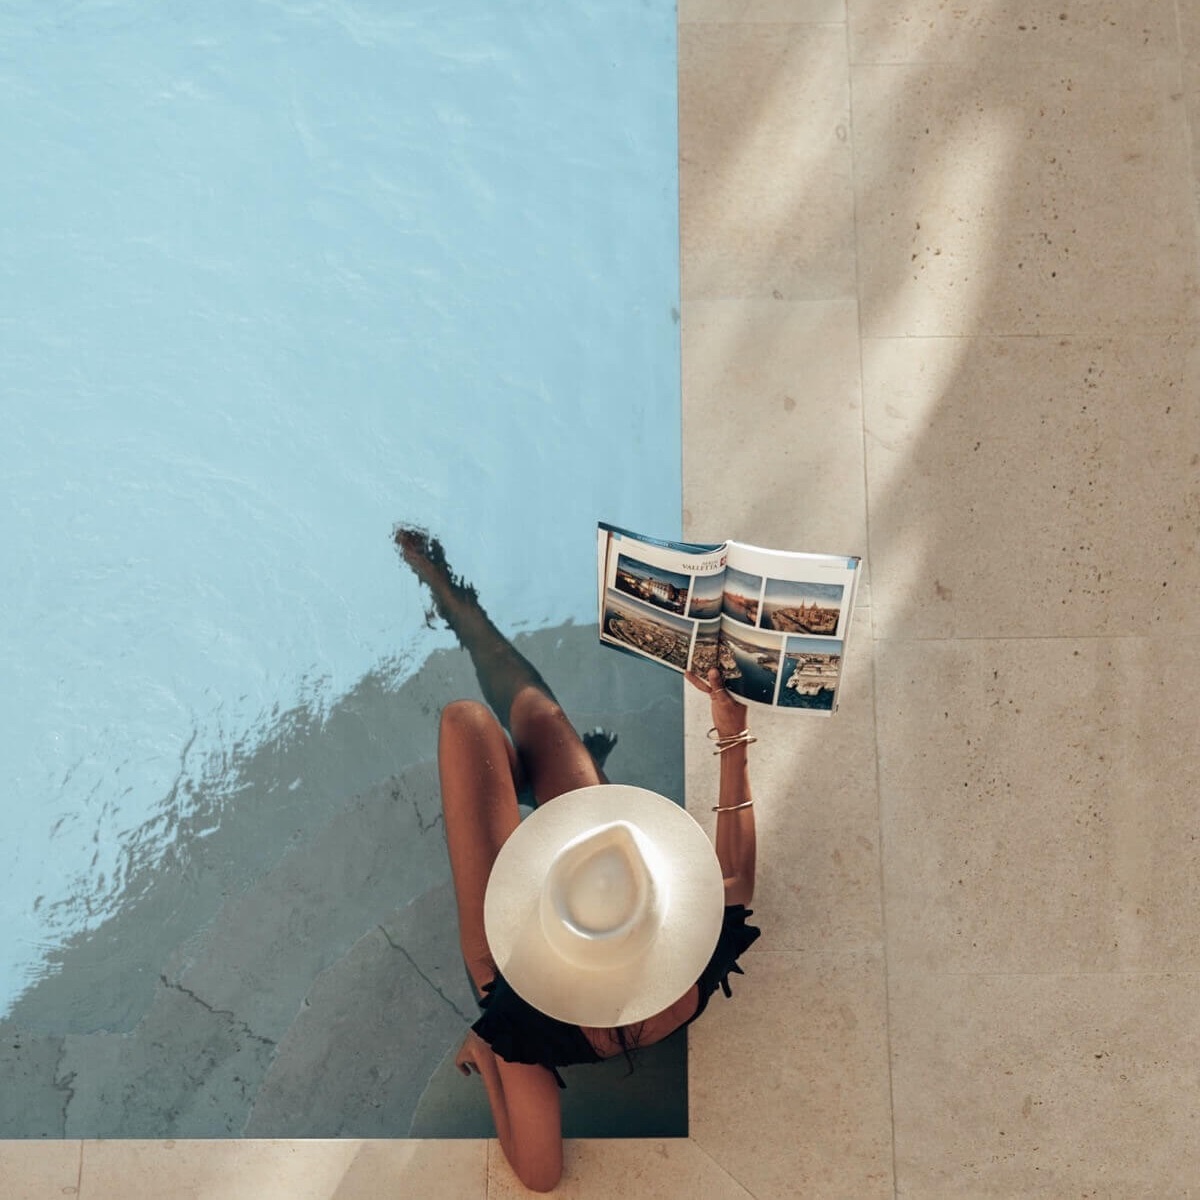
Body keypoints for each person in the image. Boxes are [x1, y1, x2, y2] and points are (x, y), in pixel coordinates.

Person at [394, 526, 759, 1193]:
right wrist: (732, 733)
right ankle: (461, 614)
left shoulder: (528, 1022)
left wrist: (491, 1045)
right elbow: (738, 879)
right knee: (533, 712)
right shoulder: (690, 968)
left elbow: (539, 1175)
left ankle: (451, 599)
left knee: (469, 723)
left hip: (508, 961)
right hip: (589, 867)